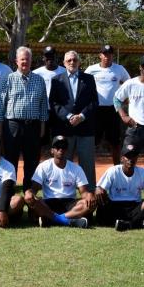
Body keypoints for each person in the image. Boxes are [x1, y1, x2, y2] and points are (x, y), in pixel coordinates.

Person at [0, 46, 48, 190]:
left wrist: (42, 127)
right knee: (10, 161)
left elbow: (44, 104)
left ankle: (29, 192)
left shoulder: (39, 80)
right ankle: (8, 191)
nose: (25, 62)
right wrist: (0, 128)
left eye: (27, 59)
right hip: (12, 125)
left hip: (33, 126)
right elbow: (1, 103)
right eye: (22, 59)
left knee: (32, 161)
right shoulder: (9, 79)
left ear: (31, 61)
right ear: (16, 61)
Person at [49, 50, 98, 186]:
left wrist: (81, 116)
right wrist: (69, 116)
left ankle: (90, 195)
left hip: (85, 129)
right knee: (64, 162)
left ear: (79, 62)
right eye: (69, 60)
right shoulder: (57, 80)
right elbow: (53, 103)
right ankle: (64, 193)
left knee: (87, 163)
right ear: (64, 63)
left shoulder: (89, 79)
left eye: (74, 60)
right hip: (65, 129)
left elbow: (94, 102)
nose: (72, 62)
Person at [24, 135, 96, 228]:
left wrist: (89, 195)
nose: (61, 149)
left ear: (67, 150)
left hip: (70, 204)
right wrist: (29, 192)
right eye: (57, 147)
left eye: (64, 147)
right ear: (52, 150)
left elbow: (84, 192)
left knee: (89, 203)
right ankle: (68, 221)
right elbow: (34, 189)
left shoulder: (76, 168)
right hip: (49, 203)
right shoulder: (44, 166)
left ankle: (53, 219)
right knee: (33, 200)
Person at [95, 143, 144, 231]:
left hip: (134, 207)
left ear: (137, 158)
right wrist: (98, 189)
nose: (131, 159)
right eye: (128, 156)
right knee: (100, 198)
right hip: (115, 206)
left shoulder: (143, 173)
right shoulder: (113, 171)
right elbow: (99, 188)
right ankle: (137, 223)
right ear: (122, 158)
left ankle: (128, 224)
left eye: (133, 156)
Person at [84, 44, 130, 164]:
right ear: (100, 55)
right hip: (96, 110)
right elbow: (82, 86)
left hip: (113, 110)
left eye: (109, 54)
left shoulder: (119, 69)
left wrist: (125, 97)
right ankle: (88, 168)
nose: (107, 56)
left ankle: (117, 168)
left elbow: (130, 85)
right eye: (104, 54)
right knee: (93, 141)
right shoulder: (91, 69)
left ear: (112, 55)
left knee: (115, 142)